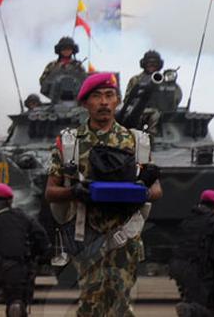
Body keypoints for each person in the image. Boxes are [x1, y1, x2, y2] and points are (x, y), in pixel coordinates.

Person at [44, 72, 163, 317]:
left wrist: (140, 191)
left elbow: (157, 191)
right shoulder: (69, 143)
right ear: (85, 103)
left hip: (125, 237)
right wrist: (73, 191)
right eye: (97, 96)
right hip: (87, 235)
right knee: (91, 305)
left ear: (117, 101)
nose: (104, 102)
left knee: (121, 305)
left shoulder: (136, 142)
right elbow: (50, 191)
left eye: (110, 95)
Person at [0, 183, 49, 317]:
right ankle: (16, 306)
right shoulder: (25, 218)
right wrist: (34, 257)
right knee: (16, 299)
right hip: (16, 268)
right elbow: (41, 238)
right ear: (11, 201)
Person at [170, 190, 214, 317]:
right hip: (207, 273)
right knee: (208, 309)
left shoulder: (188, 221)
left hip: (184, 273)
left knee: (202, 306)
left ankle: (190, 308)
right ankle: (190, 309)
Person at [122, 50, 182, 134]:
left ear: (159, 65)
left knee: (156, 117)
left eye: (155, 63)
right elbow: (127, 99)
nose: (152, 65)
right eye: (149, 63)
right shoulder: (135, 80)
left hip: (157, 112)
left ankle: (152, 138)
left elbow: (175, 98)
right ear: (143, 63)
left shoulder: (164, 80)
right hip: (136, 111)